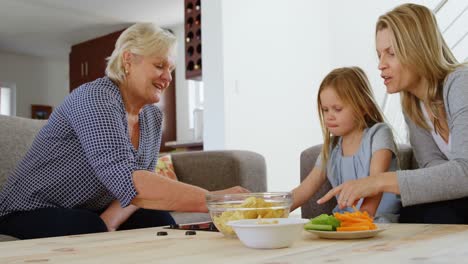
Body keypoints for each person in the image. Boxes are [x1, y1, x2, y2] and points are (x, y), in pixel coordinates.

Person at [0, 23, 248, 239]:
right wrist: (214, 200)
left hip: (86, 207)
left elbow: (142, 184)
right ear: (129, 60)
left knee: (158, 220)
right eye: (160, 66)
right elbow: (127, 178)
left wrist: (109, 221)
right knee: (86, 228)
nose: (168, 77)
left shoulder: (152, 115)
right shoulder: (96, 98)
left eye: (170, 69)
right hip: (27, 208)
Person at [318, 3, 468, 224]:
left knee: (432, 215)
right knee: (413, 215)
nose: (380, 65)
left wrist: (379, 181)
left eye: (391, 53)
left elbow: (465, 172)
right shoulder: (413, 105)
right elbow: (433, 170)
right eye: (379, 55)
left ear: (418, 49)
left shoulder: (460, 83)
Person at [291, 66, 400, 222]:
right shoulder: (330, 149)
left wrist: (362, 219)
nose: (329, 117)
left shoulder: (379, 134)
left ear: (363, 107)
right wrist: (270, 209)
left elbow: (376, 182)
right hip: (345, 222)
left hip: (378, 220)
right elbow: (304, 190)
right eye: (325, 110)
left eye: (337, 109)